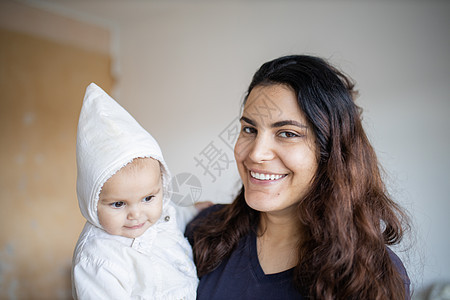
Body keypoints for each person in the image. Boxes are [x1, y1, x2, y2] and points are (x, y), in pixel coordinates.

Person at [186, 55, 411, 299]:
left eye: (287, 133)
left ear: (331, 153)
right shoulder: (202, 232)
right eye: (249, 129)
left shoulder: (372, 276)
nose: (256, 153)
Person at [72, 83, 198, 299]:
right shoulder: (98, 259)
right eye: (118, 204)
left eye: (148, 198)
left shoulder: (162, 213)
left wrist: (197, 209)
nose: (136, 214)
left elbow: (177, 214)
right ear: (92, 202)